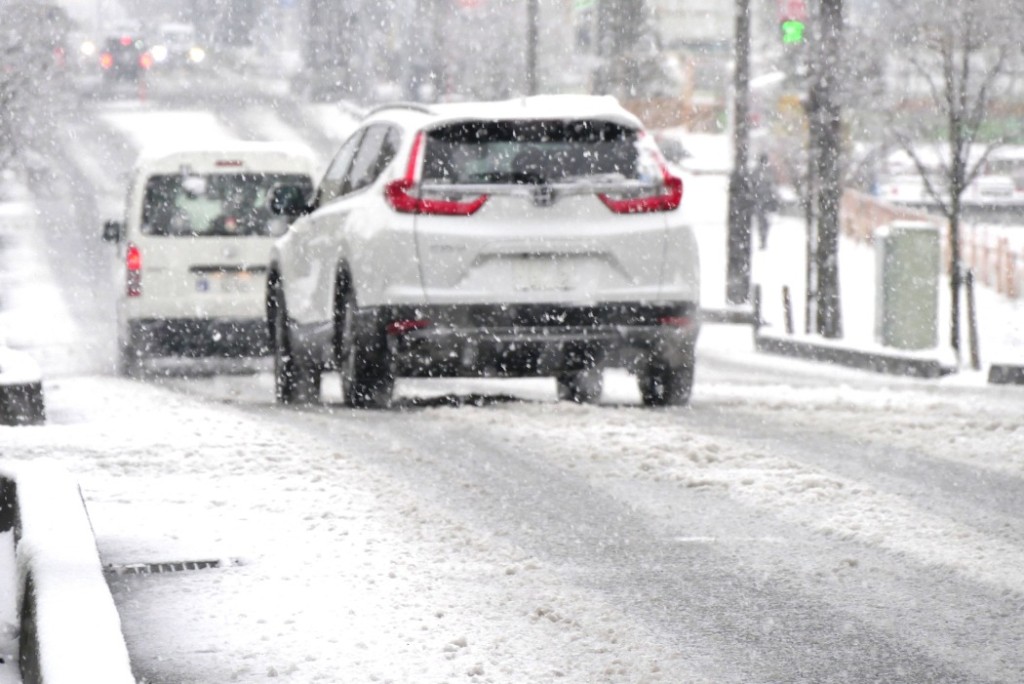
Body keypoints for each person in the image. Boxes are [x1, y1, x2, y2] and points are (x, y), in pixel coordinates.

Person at [749, 153, 779, 250]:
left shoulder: (757, 172)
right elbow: (773, 186)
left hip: (762, 200)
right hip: (764, 200)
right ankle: (763, 239)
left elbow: (753, 186)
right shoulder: (767, 172)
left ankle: (763, 239)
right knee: (764, 222)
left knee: (762, 221)